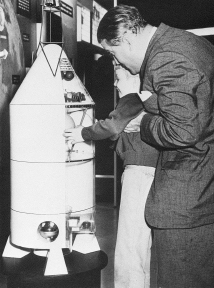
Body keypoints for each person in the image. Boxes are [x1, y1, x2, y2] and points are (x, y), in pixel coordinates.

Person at [95, 4, 214, 288]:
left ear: (127, 39)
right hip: (212, 191)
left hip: (191, 202)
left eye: (114, 53)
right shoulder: (185, 42)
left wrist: (141, 122)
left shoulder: (166, 58)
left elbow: (181, 130)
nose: (118, 62)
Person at [64, 65, 159, 288]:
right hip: (150, 173)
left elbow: (114, 127)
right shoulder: (146, 102)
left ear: (136, 78)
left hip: (138, 174)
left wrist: (83, 132)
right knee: (140, 246)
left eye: (118, 78)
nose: (115, 84)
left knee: (129, 247)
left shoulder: (131, 99)